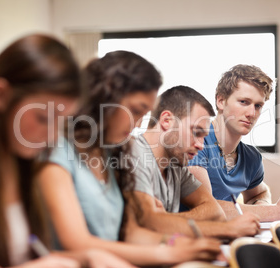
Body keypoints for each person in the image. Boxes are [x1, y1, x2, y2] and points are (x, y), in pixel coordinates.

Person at [0, 34, 133, 268]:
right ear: (0, 95)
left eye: (62, 122)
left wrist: (87, 258)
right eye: (44, 118)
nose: (53, 136)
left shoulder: (19, 161)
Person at [37, 51, 222, 267]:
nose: (137, 124)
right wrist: (172, 254)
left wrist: (177, 243)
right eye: (135, 111)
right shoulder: (57, 148)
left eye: (144, 113)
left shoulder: (115, 153)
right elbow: (78, 243)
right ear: (106, 98)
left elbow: (132, 235)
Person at [129, 85, 260, 239]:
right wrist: (227, 229)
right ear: (166, 120)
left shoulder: (175, 167)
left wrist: (165, 221)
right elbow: (146, 224)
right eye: (196, 132)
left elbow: (215, 211)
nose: (201, 145)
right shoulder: (132, 156)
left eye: (203, 136)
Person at [188, 64, 280, 221]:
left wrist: (261, 205)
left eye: (258, 106)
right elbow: (205, 208)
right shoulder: (194, 143)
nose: (251, 113)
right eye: (244, 102)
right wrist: (276, 211)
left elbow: (260, 192)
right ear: (220, 101)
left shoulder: (251, 157)